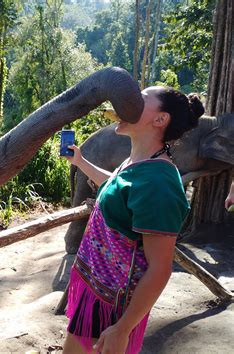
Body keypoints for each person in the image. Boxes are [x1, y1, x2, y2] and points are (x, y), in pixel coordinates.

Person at [62, 86, 205, 354]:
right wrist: (80, 162)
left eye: (139, 100)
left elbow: (160, 269)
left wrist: (122, 328)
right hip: (95, 291)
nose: (126, 104)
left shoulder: (160, 185)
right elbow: (117, 188)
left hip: (111, 309)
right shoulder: (137, 162)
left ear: (160, 119)